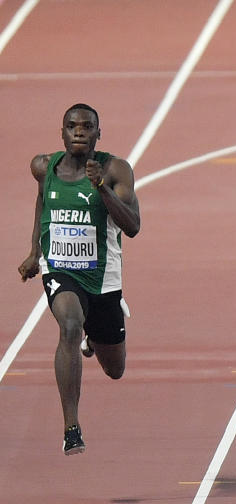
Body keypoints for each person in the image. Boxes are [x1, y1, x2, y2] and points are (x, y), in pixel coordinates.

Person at [18, 103, 141, 455]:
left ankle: (94, 335)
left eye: (87, 126)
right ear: (62, 133)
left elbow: (132, 227)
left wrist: (101, 186)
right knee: (69, 325)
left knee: (115, 369)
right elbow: (42, 202)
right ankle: (71, 428)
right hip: (61, 271)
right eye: (72, 126)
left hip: (103, 280)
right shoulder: (44, 167)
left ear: (98, 135)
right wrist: (33, 253)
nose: (79, 131)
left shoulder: (116, 170)